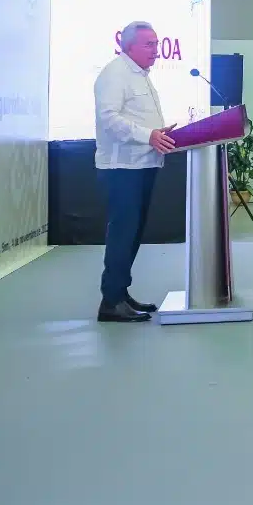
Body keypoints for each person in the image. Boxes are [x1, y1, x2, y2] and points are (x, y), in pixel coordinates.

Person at [93, 20, 176, 323]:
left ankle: (120, 293)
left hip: (143, 164)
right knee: (123, 233)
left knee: (133, 233)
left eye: (157, 44)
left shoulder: (141, 75)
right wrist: (148, 136)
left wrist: (157, 134)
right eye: (149, 45)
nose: (156, 50)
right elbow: (109, 119)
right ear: (129, 46)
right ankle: (110, 301)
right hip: (122, 168)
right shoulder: (115, 74)